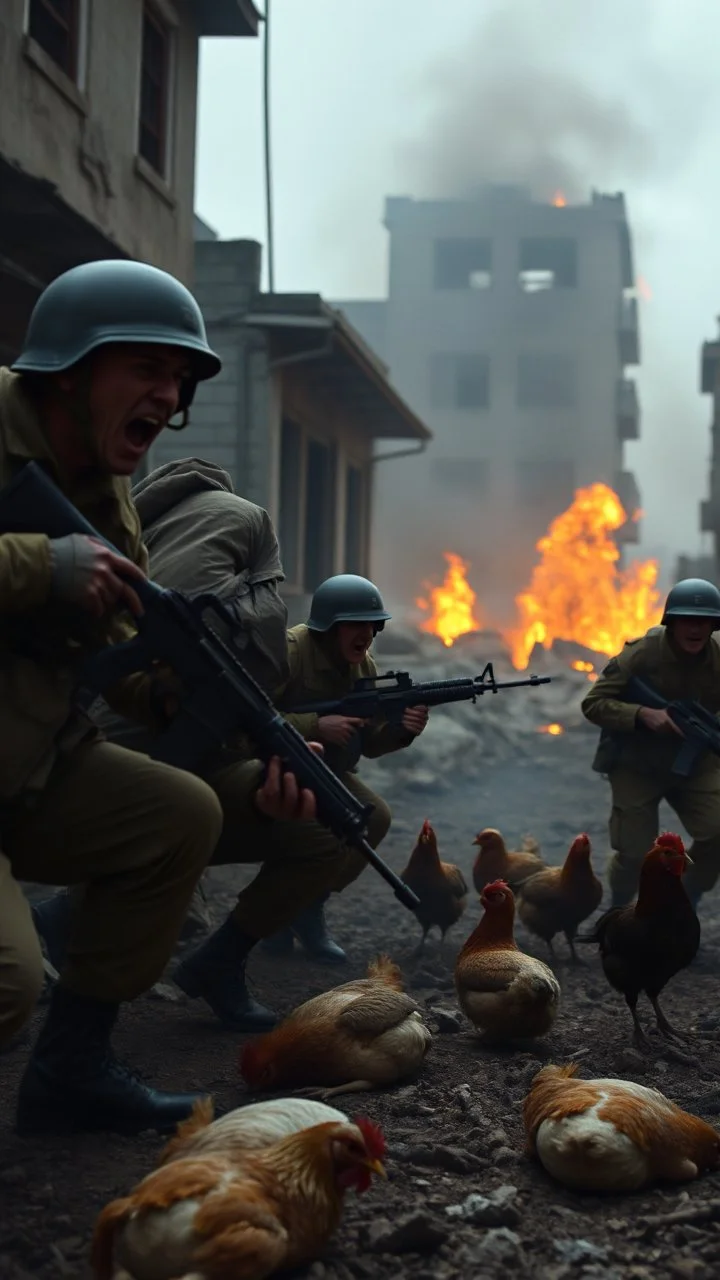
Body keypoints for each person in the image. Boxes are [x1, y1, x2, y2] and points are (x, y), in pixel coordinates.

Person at [0, 258, 314, 1135]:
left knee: (176, 812)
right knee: (7, 979)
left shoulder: (110, 501)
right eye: (147, 367)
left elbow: (106, 652)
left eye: (179, 379)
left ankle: (70, 1071)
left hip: (26, 761)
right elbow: (50, 583)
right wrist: (41, 566)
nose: (169, 394)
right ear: (70, 368)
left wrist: (175, 692)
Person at [263, 573, 430, 962]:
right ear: (328, 628)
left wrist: (402, 732)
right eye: (355, 625)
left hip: (330, 772)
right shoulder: (290, 652)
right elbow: (251, 715)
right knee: (300, 829)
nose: (366, 634)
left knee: (375, 817)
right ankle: (269, 915)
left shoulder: (364, 666)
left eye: (372, 625)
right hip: (276, 766)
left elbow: (368, 743)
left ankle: (307, 907)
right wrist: (314, 726)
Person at [581, 577, 720, 908]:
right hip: (636, 764)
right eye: (688, 620)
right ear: (671, 622)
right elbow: (593, 704)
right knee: (634, 855)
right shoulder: (641, 655)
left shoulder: (717, 661)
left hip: (694, 762)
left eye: (704, 622)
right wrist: (642, 714)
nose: (696, 629)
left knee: (717, 832)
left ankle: (687, 898)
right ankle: (618, 908)